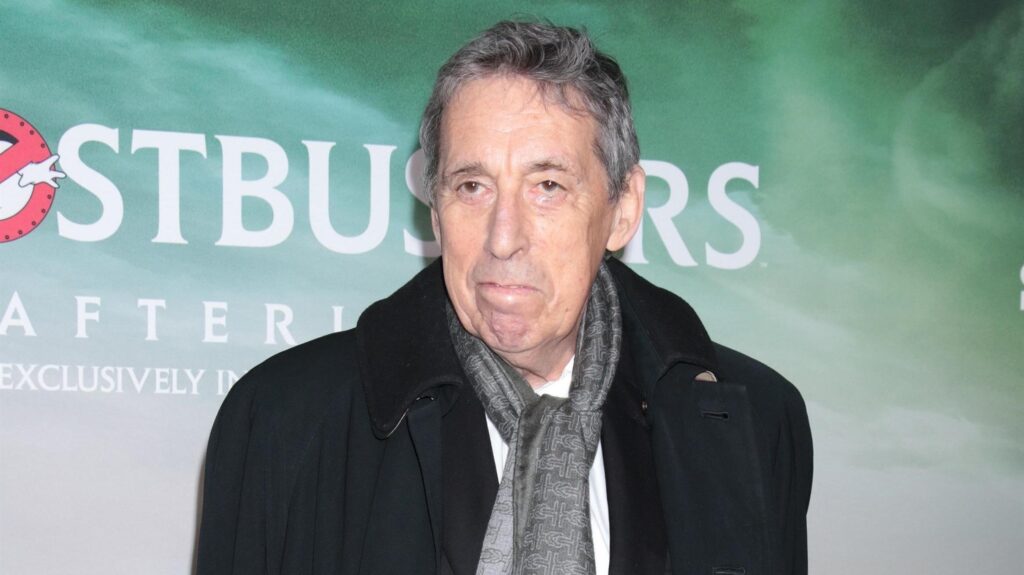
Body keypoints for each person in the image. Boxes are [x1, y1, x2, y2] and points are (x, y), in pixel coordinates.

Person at [196, 20, 812, 575]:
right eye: (472, 186)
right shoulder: (282, 420)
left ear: (623, 209)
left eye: (547, 186)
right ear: (435, 210)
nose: (503, 238)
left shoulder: (757, 421)